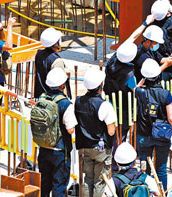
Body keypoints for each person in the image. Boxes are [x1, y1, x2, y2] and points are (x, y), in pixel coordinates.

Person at [134, 59, 172, 192]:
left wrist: (143, 79)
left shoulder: (139, 92)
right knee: (161, 168)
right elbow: (170, 117)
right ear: (158, 76)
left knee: (144, 168)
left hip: (143, 134)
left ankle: (145, 193)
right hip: (162, 135)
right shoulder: (165, 94)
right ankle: (162, 193)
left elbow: (136, 87)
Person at [75, 67, 117, 197]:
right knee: (99, 180)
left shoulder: (78, 101)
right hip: (101, 149)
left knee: (88, 178)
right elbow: (111, 131)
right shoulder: (104, 105)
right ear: (100, 85)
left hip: (86, 146)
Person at [37, 67, 77, 197]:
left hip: (43, 147)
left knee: (44, 183)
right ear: (62, 85)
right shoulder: (65, 104)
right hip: (59, 151)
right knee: (59, 185)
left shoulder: (41, 99)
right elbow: (70, 129)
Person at [35, 27, 68, 100]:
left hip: (41, 96)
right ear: (55, 43)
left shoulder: (39, 54)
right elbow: (59, 83)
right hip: (53, 99)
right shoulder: (57, 61)